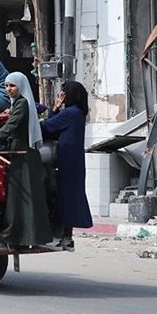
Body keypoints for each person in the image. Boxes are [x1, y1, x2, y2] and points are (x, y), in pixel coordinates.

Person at [0, 72, 52, 251]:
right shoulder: (18, 104)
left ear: (20, 87)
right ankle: (26, 237)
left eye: (12, 86)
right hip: (20, 156)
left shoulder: (22, 103)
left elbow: (9, 129)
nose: (8, 89)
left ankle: (11, 238)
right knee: (25, 200)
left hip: (23, 158)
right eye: (6, 86)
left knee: (19, 200)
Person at [40, 81, 93, 251]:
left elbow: (46, 128)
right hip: (74, 160)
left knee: (64, 197)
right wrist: (56, 108)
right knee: (68, 197)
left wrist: (54, 109)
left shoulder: (70, 113)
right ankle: (66, 238)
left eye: (63, 93)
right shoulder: (78, 113)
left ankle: (60, 237)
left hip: (68, 161)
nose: (61, 96)